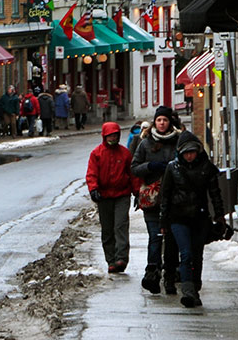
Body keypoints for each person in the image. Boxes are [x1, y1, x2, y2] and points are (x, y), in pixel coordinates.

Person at [160, 131, 225, 308]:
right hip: (178, 218)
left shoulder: (206, 168)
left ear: (197, 151)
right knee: (186, 253)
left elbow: (215, 193)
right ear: (180, 153)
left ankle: (195, 287)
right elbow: (165, 196)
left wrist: (220, 216)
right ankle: (187, 290)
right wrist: (164, 221)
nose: (189, 156)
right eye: (186, 153)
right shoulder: (172, 168)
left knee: (197, 255)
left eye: (192, 152)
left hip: (200, 218)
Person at [132, 106, 181, 295]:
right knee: (155, 237)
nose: (162, 123)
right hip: (152, 199)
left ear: (170, 122)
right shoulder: (145, 143)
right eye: (159, 120)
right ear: (155, 122)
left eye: (165, 120)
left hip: (173, 198)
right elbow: (134, 167)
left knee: (171, 238)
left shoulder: (178, 141)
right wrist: (150, 166)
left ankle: (172, 271)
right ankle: (152, 271)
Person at [86, 121, 135, 274]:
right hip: (104, 196)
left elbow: (132, 174)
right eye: (110, 135)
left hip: (122, 194)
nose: (113, 138)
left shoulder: (125, 153)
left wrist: (138, 192)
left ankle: (121, 258)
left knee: (120, 226)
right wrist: (93, 189)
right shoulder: (97, 153)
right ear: (104, 136)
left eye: (115, 135)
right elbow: (91, 173)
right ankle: (111, 260)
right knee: (107, 229)